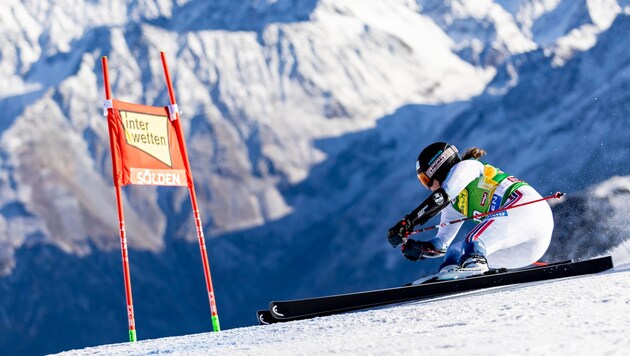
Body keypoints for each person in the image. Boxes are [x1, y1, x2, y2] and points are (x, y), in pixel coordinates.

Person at [387, 142, 554, 282]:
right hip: (528, 250)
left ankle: (475, 267)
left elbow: (441, 197)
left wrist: (407, 222)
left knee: (473, 242)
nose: (428, 187)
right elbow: (442, 243)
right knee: (455, 253)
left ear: (437, 167)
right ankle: (454, 275)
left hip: (529, 210)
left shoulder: (467, 167)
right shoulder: (455, 205)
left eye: (425, 179)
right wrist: (421, 248)